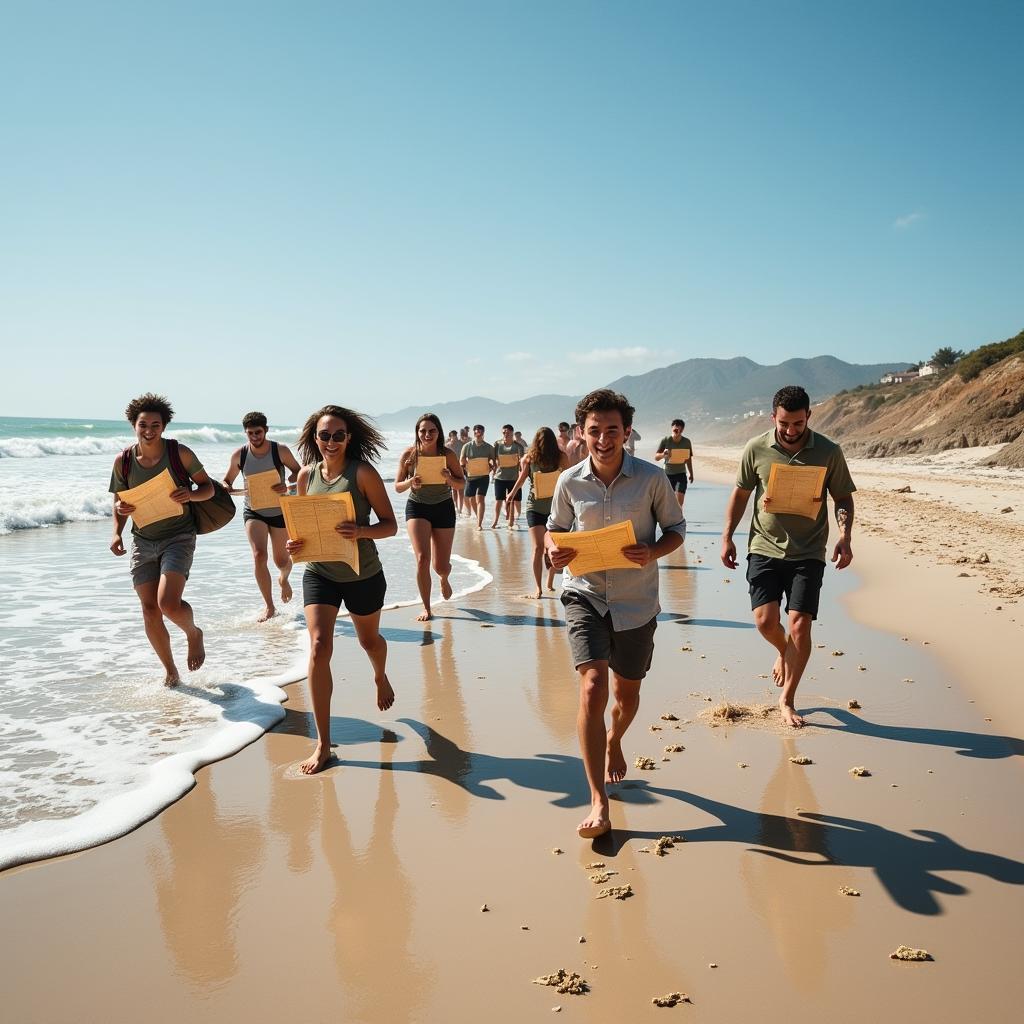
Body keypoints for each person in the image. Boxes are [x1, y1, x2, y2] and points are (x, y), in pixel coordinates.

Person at [546, 389, 685, 839]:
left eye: (612, 431)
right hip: (584, 593)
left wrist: (652, 551)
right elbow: (554, 531)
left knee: (626, 697)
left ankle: (614, 740)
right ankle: (597, 800)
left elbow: (676, 530)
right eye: (594, 431)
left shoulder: (651, 479)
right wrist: (554, 553)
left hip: (636, 601)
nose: (603, 439)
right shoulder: (569, 482)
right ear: (581, 434)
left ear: (627, 432)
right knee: (592, 687)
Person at [720, 385, 855, 728]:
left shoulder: (828, 451)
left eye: (798, 423)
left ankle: (788, 698)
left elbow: (842, 497)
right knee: (766, 622)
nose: (791, 431)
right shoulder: (756, 448)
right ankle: (784, 651)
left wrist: (845, 536)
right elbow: (740, 494)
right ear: (773, 417)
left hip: (808, 552)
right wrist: (727, 537)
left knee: (799, 624)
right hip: (764, 546)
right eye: (784, 424)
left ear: (809, 416)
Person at [287, 405, 398, 774]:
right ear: (314, 438)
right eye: (324, 435)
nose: (331, 442)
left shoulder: (362, 473)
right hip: (320, 572)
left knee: (370, 642)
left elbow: (390, 525)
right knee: (319, 647)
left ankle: (380, 674)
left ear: (348, 438)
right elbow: (303, 528)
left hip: (362, 573)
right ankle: (323, 744)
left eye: (338, 435)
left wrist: (361, 532)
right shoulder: (305, 476)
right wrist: (295, 545)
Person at [109, 393, 214, 686]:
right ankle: (170, 670)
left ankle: (194, 633)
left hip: (178, 536)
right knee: (149, 609)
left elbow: (209, 489)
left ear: (163, 426)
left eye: (155, 424)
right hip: (143, 540)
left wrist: (190, 494)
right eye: (143, 424)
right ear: (134, 425)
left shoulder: (179, 454)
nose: (149, 430)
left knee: (168, 603)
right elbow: (120, 501)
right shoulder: (124, 461)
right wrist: (117, 528)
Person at [222, 411, 302, 621]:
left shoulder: (280, 450)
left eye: (258, 432)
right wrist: (226, 487)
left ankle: (283, 579)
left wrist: (288, 484)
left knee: (281, 560)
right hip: (253, 510)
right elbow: (227, 481)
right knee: (259, 555)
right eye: (250, 433)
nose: (254, 437)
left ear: (266, 430)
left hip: (279, 510)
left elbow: (298, 472)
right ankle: (269, 606)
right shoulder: (239, 455)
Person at [395, 413, 465, 621]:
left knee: (440, 566)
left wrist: (449, 478)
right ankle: (427, 607)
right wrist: (411, 483)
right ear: (417, 432)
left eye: (431, 430)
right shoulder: (409, 455)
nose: (427, 434)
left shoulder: (448, 455)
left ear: (438, 432)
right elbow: (398, 486)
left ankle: (444, 577)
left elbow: (461, 484)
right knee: (422, 559)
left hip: (444, 507)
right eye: (423, 431)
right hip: (417, 507)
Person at [511, 427, 569, 598]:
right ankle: (538, 588)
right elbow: (521, 479)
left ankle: (549, 581)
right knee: (537, 547)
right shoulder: (529, 459)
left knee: (552, 548)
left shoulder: (561, 457)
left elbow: (569, 479)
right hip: (534, 507)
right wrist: (511, 494)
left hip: (556, 509)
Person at [491, 423, 526, 530]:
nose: (505, 434)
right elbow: (493, 459)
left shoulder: (518, 446)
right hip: (499, 477)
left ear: (512, 433)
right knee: (498, 500)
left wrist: (523, 474)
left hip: (513, 478)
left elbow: (522, 462)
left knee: (512, 500)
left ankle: (511, 522)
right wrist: (492, 468)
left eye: (508, 433)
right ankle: (495, 521)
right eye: (504, 432)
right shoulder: (497, 444)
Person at [460, 424, 495, 530]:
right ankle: (478, 516)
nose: (477, 432)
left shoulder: (489, 447)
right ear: (473, 432)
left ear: (483, 432)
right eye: (476, 431)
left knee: (480, 499)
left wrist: (492, 466)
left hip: (484, 476)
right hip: (471, 476)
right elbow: (461, 459)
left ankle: (479, 524)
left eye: (480, 431)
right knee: (471, 499)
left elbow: (493, 459)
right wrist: (463, 465)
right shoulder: (467, 446)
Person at [654, 419, 694, 510]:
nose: (676, 432)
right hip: (668, 474)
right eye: (675, 430)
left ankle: (678, 520)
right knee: (668, 500)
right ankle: (669, 519)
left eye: (679, 430)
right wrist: (663, 455)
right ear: (672, 428)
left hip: (681, 473)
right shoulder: (666, 440)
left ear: (682, 430)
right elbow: (656, 457)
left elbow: (688, 459)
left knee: (680, 501)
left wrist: (691, 474)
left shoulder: (686, 442)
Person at [445, 430, 465, 517]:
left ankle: (460, 508)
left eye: (455, 436)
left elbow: (463, 455)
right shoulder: (447, 445)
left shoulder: (460, 444)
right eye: (453, 436)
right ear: (450, 437)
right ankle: (456, 507)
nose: (455, 437)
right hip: (449, 469)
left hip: (460, 468)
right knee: (453, 490)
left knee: (460, 489)